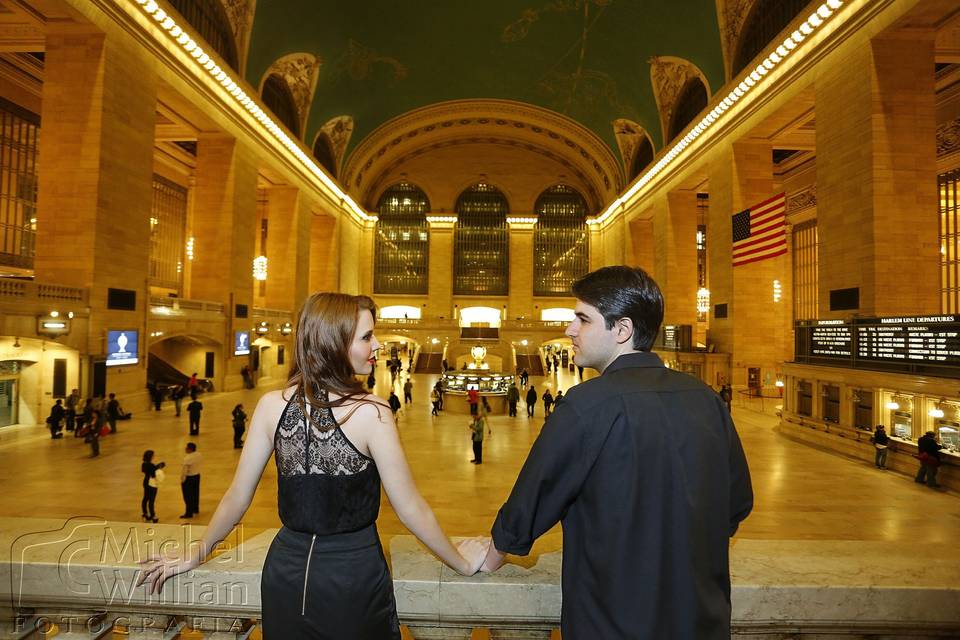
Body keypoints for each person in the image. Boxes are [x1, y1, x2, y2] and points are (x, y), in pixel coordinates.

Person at [137, 292, 487, 639]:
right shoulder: (372, 412)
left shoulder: (271, 405)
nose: (377, 345)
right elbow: (410, 509)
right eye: (366, 337)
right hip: (351, 577)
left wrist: (197, 553)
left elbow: (238, 495)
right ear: (335, 344)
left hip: (285, 576)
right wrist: (462, 561)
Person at [480, 266, 753, 639]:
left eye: (582, 319)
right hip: (701, 621)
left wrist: (493, 553)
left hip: (612, 622)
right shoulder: (706, 400)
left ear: (621, 330)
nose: (569, 330)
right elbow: (736, 505)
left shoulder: (586, 405)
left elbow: (535, 495)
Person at [141, 450, 166, 523]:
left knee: (145, 498)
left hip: (145, 482)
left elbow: (148, 470)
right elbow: (153, 475)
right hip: (152, 484)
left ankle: (145, 513)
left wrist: (156, 467)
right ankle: (153, 515)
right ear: (151, 456)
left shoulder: (144, 464)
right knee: (151, 500)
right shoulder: (151, 465)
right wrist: (159, 469)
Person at [180, 442, 202, 518]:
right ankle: (195, 509)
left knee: (188, 496)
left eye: (186, 447)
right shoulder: (199, 454)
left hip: (189, 478)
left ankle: (189, 513)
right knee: (196, 493)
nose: (185, 449)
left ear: (190, 449)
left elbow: (184, 471)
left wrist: (182, 480)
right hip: (197, 476)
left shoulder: (187, 458)